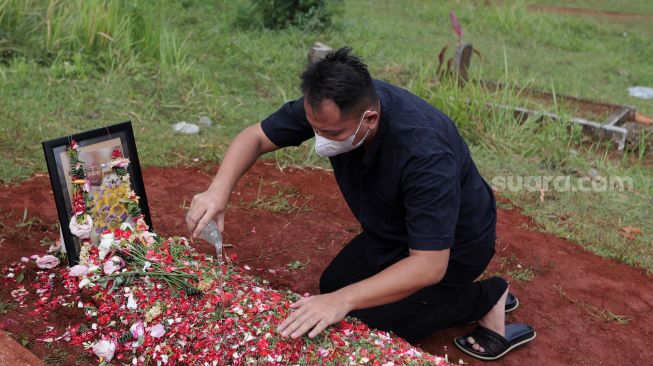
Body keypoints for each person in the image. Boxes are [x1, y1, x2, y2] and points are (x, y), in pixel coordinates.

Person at [186, 47, 535, 361]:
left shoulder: (425, 154)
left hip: (456, 245)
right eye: (314, 128)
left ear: (370, 119)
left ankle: (488, 296)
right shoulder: (330, 105)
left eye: (333, 134)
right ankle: (420, 295)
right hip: (394, 230)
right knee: (335, 283)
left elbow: (429, 266)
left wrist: (342, 301)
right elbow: (256, 136)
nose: (320, 139)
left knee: (369, 318)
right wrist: (218, 190)